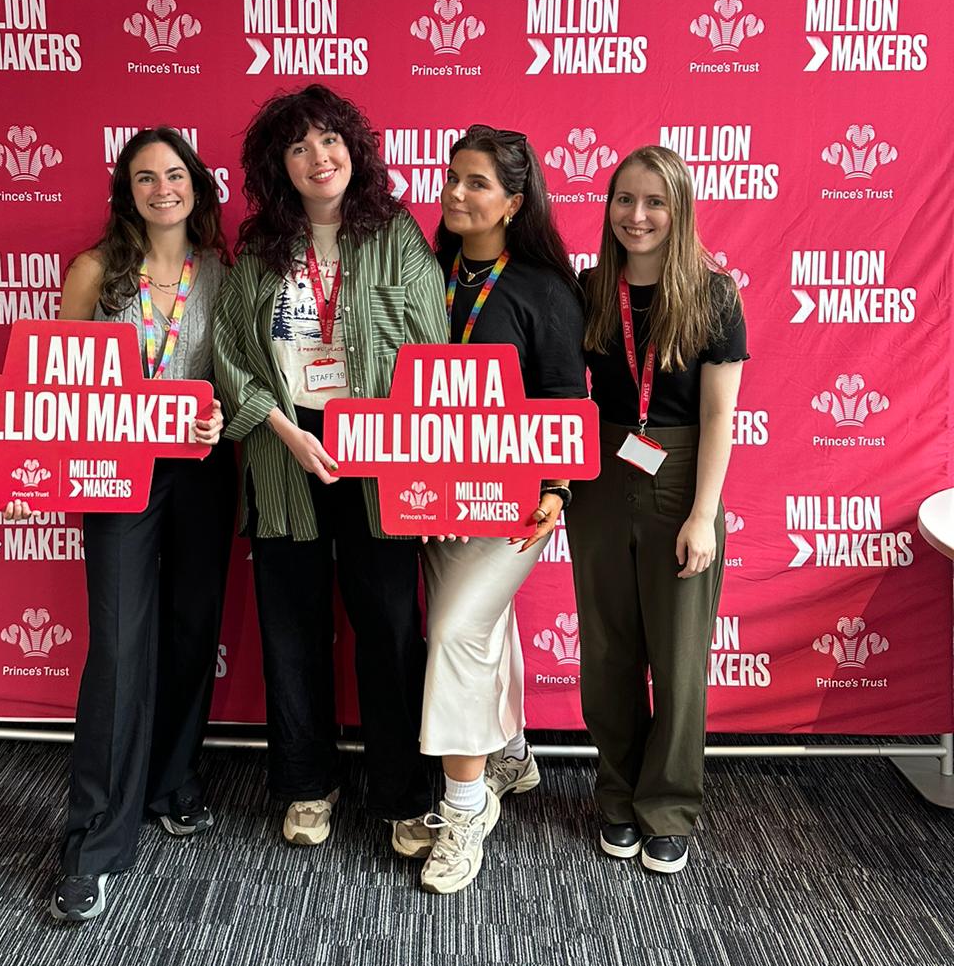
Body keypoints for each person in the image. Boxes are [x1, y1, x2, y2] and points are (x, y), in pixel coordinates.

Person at [213, 84, 448, 856]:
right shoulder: (259, 247)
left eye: (329, 139)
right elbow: (229, 355)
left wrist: (398, 443)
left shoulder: (396, 233)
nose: (318, 156)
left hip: (381, 450)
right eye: (298, 145)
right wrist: (282, 429)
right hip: (285, 449)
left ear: (353, 148)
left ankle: (403, 794)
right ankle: (307, 783)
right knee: (291, 627)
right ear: (278, 166)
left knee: (390, 626)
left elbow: (433, 348)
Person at [47, 128, 236, 923]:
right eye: (145, 177)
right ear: (126, 192)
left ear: (196, 184)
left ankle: (171, 783)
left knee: (192, 633)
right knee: (120, 648)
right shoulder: (96, 271)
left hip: (201, 472)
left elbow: (240, 377)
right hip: (116, 474)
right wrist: (31, 471)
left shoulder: (222, 273)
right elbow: (56, 383)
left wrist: (221, 417)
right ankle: (93, 844)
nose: (163, 188)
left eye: (174, 173)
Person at [567, 144, 747, 876]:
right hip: (600, 474)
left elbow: (719, 416)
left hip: (680, 478)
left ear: (680, 211)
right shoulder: (587, 288)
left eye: (654, 202)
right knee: (608, 653)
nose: (636, 216)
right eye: (624, 199)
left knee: (677, 661)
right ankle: (616, 794)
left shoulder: (715, 296)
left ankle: (667, 808)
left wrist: (703, 515)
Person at [418, 125, 586, 895]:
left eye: (477, 182)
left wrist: (555, 489)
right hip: (429, 498)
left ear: (514, 202)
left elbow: (564, 398)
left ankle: (464, 808)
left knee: (456, 631)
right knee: (479, 627)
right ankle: (511, 754)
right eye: (453, 177)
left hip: (513, 503)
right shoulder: (427, 272)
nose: (456, 192)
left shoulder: (545, 290)